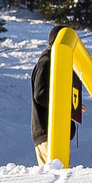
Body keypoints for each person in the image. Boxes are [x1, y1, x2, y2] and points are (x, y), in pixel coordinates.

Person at [29, 26, 85, 166]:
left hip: (54, 132)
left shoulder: (55, 62)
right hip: (48, 131)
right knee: (56, 174)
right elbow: (41, 94)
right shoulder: (47, 61)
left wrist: (72, 106)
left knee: (60, 172)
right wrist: (66, 104)